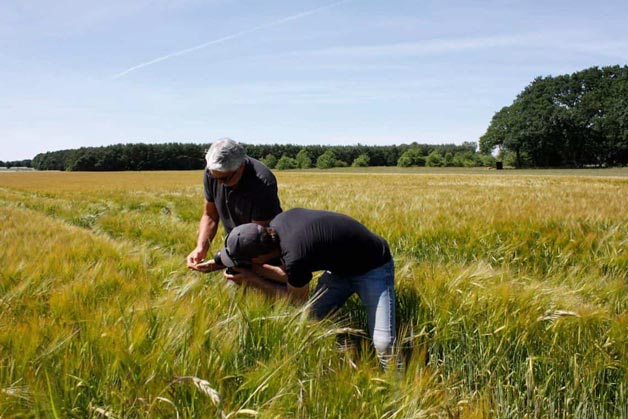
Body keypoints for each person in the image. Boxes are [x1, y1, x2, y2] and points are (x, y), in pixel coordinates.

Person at [216, 208, 396, 367]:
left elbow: (296, 300)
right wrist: (254, 270)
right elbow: (290, 276)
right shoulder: (277, 226)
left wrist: (253, 280)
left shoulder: (295, 256)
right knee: (308, 322)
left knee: (384, 343)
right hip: (339, 271)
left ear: (259, 257)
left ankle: (396, 388)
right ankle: (335, 362)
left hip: (374, 268)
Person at [187, 138, 282, 273]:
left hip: (261, 249)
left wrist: (218, 263)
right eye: (214, 177)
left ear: (241, 167)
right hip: (236, 245)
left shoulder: (262, 182)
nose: (218, 183)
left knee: (263, 286)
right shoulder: (213, 171)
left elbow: (257, 237)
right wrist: (201, 247)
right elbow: (210, 214)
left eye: (224, 179)